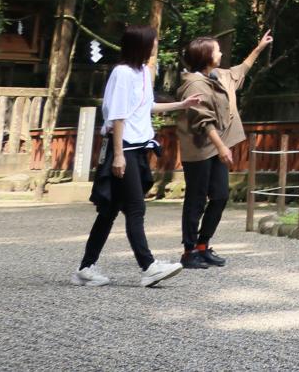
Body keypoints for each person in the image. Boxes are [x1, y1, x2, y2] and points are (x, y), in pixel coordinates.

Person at [74, 24, 208, 288]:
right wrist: (118, 155)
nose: (156, 45)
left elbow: (147, 107)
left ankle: (86, 267)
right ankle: (148, 267)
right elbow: (118, 115)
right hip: (124, 147)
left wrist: (181, 105)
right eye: (154, 42)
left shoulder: (144, 73)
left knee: (109, 211)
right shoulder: (122, 73)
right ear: (141, 45)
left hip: (139, 146)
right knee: (135, 208)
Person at [176, 28, 272, 269]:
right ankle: (189, 252)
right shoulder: (193, 83)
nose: (221, 52)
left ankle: (202, 245)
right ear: (206, 56)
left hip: (218, 147)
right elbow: (203, 120)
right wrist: (221, 147)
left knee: (220, 196)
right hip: (200, 150)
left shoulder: (219, 75)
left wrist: (259, 48)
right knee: (196, 199)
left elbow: (240, 71)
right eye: (217, 49)